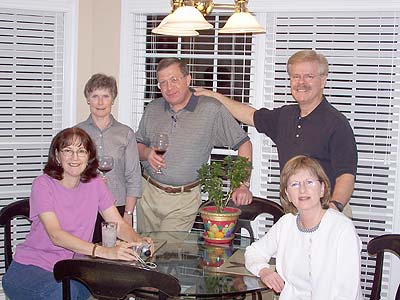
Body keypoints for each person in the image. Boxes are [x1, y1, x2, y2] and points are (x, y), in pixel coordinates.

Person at [194, 50, 357, 217]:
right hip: (293, 210)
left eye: (309, 76)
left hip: (327, 210)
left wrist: (333, 209)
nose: (301, 82)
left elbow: (346, 175)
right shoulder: (285, 116)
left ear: (323, 80)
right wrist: (215, 96)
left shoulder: (337, 124)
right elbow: (250, 115)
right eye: (295, 76)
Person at [2, 127, 152, 300]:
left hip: (74, 269)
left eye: (81, 151)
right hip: (31, 268)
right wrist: (103, 251)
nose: (75, 157)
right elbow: (56, 235)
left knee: (111, 286)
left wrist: (139, 242)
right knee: (65, 294)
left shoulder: (95, 183)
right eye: (68, 151)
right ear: (57, 156)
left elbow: (117, 224)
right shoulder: (43, 184)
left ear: (89, 156)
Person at [136, 57, 253, 233]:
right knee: (144, 253)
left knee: (167, 253)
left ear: (188, 79)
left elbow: (244, 143)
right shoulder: (153, 108)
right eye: (163, 83)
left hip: (183, 199)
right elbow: (137, 145)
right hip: (148, 193)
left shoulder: (211, 109)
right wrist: (147, 153)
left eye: (174, 80)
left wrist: (242, 185)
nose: (169, 87)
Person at [245, 155, 363, 299]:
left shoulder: (342, 228)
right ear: (287, 194)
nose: (303, 190)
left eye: (310, 182)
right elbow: (253, 252)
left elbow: (347, 292)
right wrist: (264, 271)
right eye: (295, 184)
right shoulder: (286, 224)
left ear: (322, 189)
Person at [77, 73, 142, 242]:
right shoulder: (76, 133)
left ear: (113, 99)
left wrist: (128, 214)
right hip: (84, 206)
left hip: (117, 207)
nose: (100, 102)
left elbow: (133, 176)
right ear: (88, 99)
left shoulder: (125, 133)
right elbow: (69, 174)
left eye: (105, 96)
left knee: (115, 259)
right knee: (87, 257)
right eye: (95, 96)